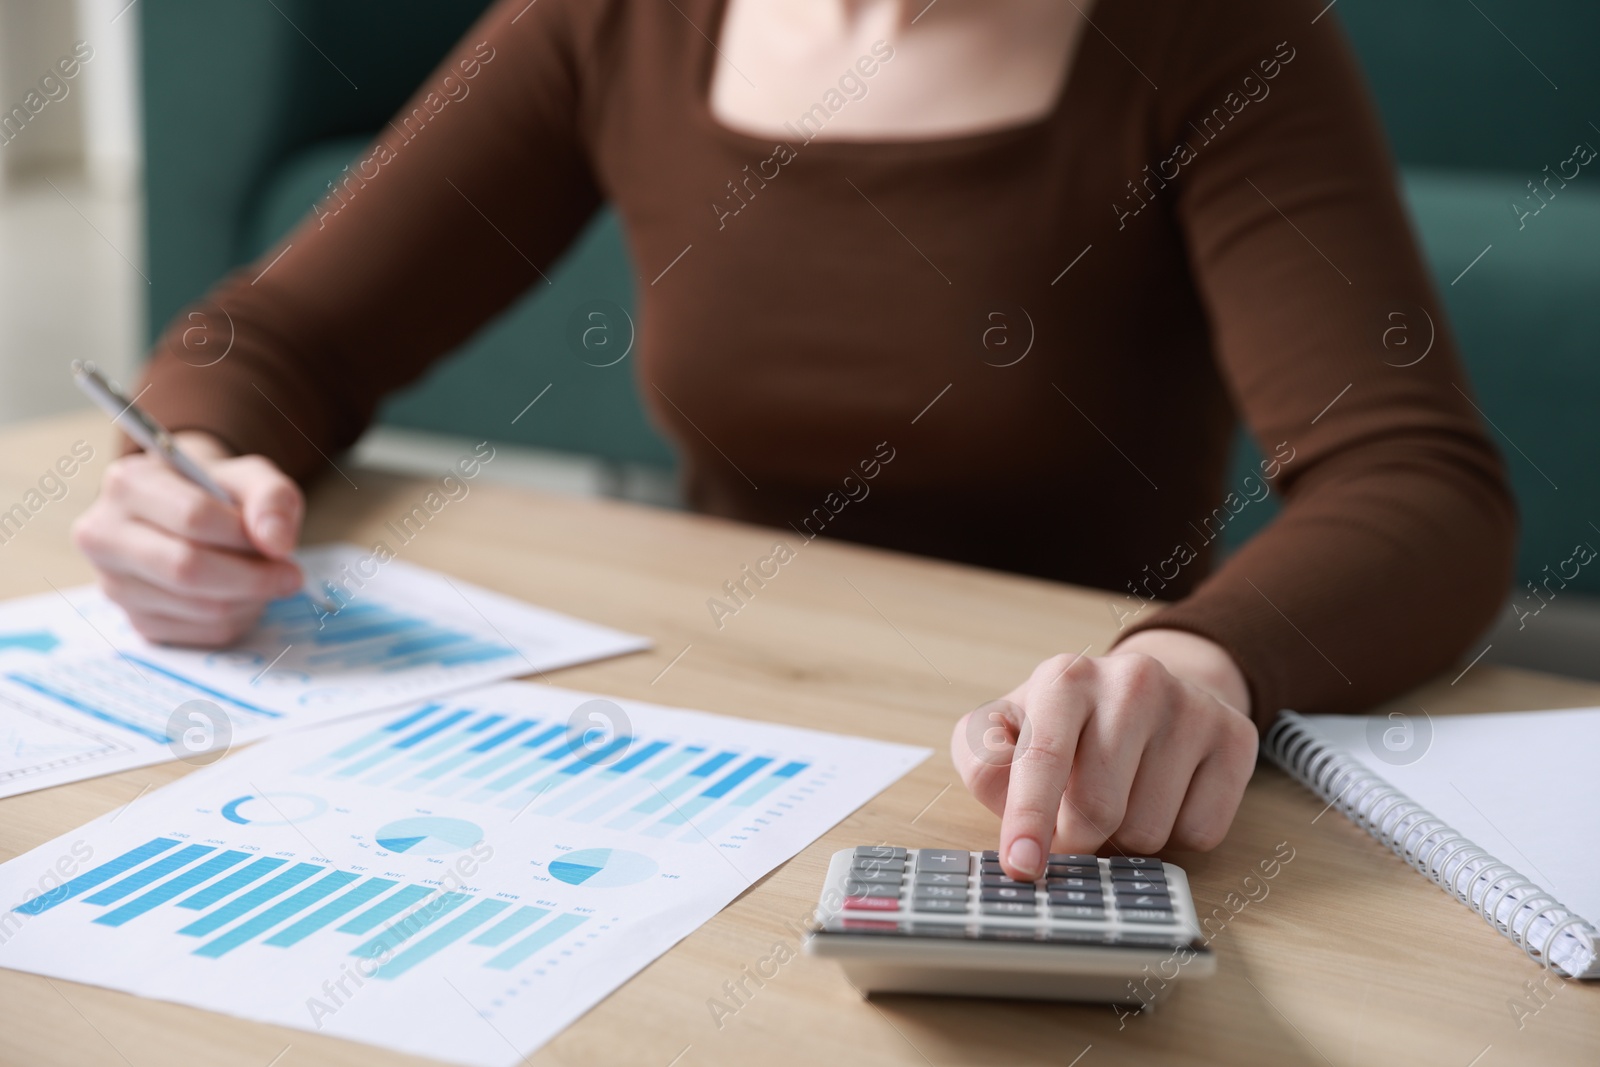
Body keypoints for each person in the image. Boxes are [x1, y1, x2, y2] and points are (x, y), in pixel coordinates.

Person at [71, 0, 1515, 882]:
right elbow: (278, 338)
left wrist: (1200, 660)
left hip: (1059, 807)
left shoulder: (1215, 25)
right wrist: (189, 469)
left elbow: (1419, 484)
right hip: (716, 765)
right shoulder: (624, 13)